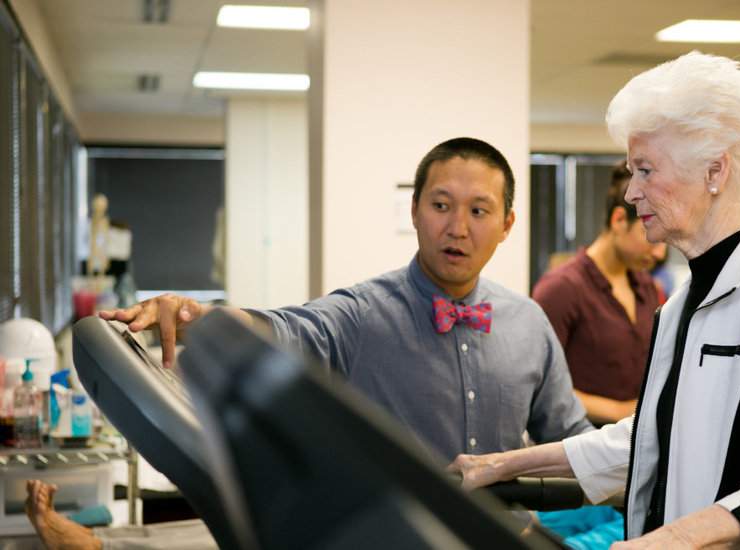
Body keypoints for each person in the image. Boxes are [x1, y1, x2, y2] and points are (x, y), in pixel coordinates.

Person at [27, 137, 594, 549]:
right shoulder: (364, 312)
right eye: (441, 206)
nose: (458, 227)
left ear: (508, 224)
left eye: (479, 211)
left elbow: (573, 444)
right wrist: (200, 315)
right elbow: (287, 327)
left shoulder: (529, 322)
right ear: (416, 211)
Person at [449, 52, 740, 549]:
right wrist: (501, 464)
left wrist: (668, 541)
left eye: (645, 170)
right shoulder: (678, 306)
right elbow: (651, 436)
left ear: (715, 170)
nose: (630, 193)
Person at [532, 161, 666, 426]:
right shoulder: (561, 288)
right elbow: (538, 386)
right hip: (577, 449)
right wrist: (620, 411)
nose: (660, 252)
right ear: (618, 221)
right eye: (650, 233)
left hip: (632, 450)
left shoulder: (648, 289)